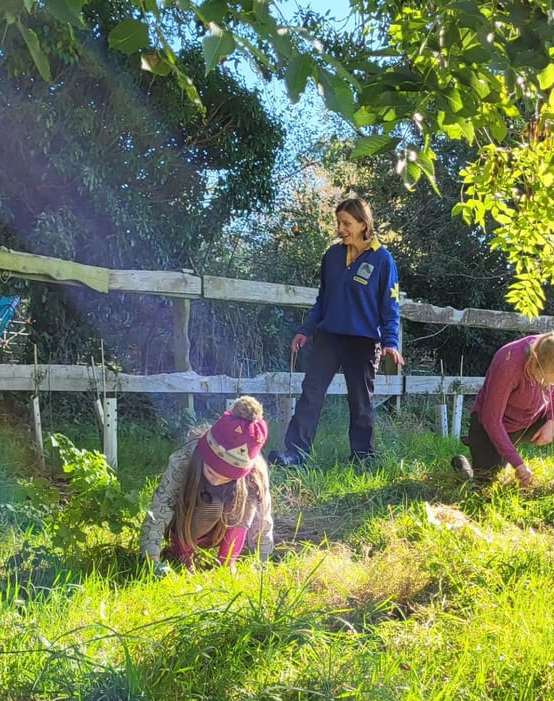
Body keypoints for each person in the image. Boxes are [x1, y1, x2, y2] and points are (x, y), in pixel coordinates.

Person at [269, 197, 404, 467]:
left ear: (364, 224)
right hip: (328, 337)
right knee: (311, 394)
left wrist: (391, 341)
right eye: (338, 222)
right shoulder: (331, 256)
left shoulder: (382, 259)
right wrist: (306, 329)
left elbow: (390, 306)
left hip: (362, 341)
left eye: (347, 223)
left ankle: (362, 458)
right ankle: (295, 454)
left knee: (361, 402)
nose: (340, 229)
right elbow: (323, 299)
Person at [452, 332, 554, 486]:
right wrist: (518, 464)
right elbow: (491, 419)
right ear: (533, 361)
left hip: (536, 417)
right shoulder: (508, 363)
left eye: (553, 383)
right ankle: (462, 466)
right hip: (496, 427)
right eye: (544, 380)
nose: (547, 386)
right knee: (486, 484)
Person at [141, 396, 274, 575]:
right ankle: (182, 554)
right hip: (189, 516)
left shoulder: (255, 472)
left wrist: (263, 562)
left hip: (224, 523)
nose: (217, 480)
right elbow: (160, 507)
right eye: (212, 472)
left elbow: (263, 519)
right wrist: (152, 559)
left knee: (246, 503)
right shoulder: (183, 460)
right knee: (206, 505)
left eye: (226, 477)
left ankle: (227, 563)